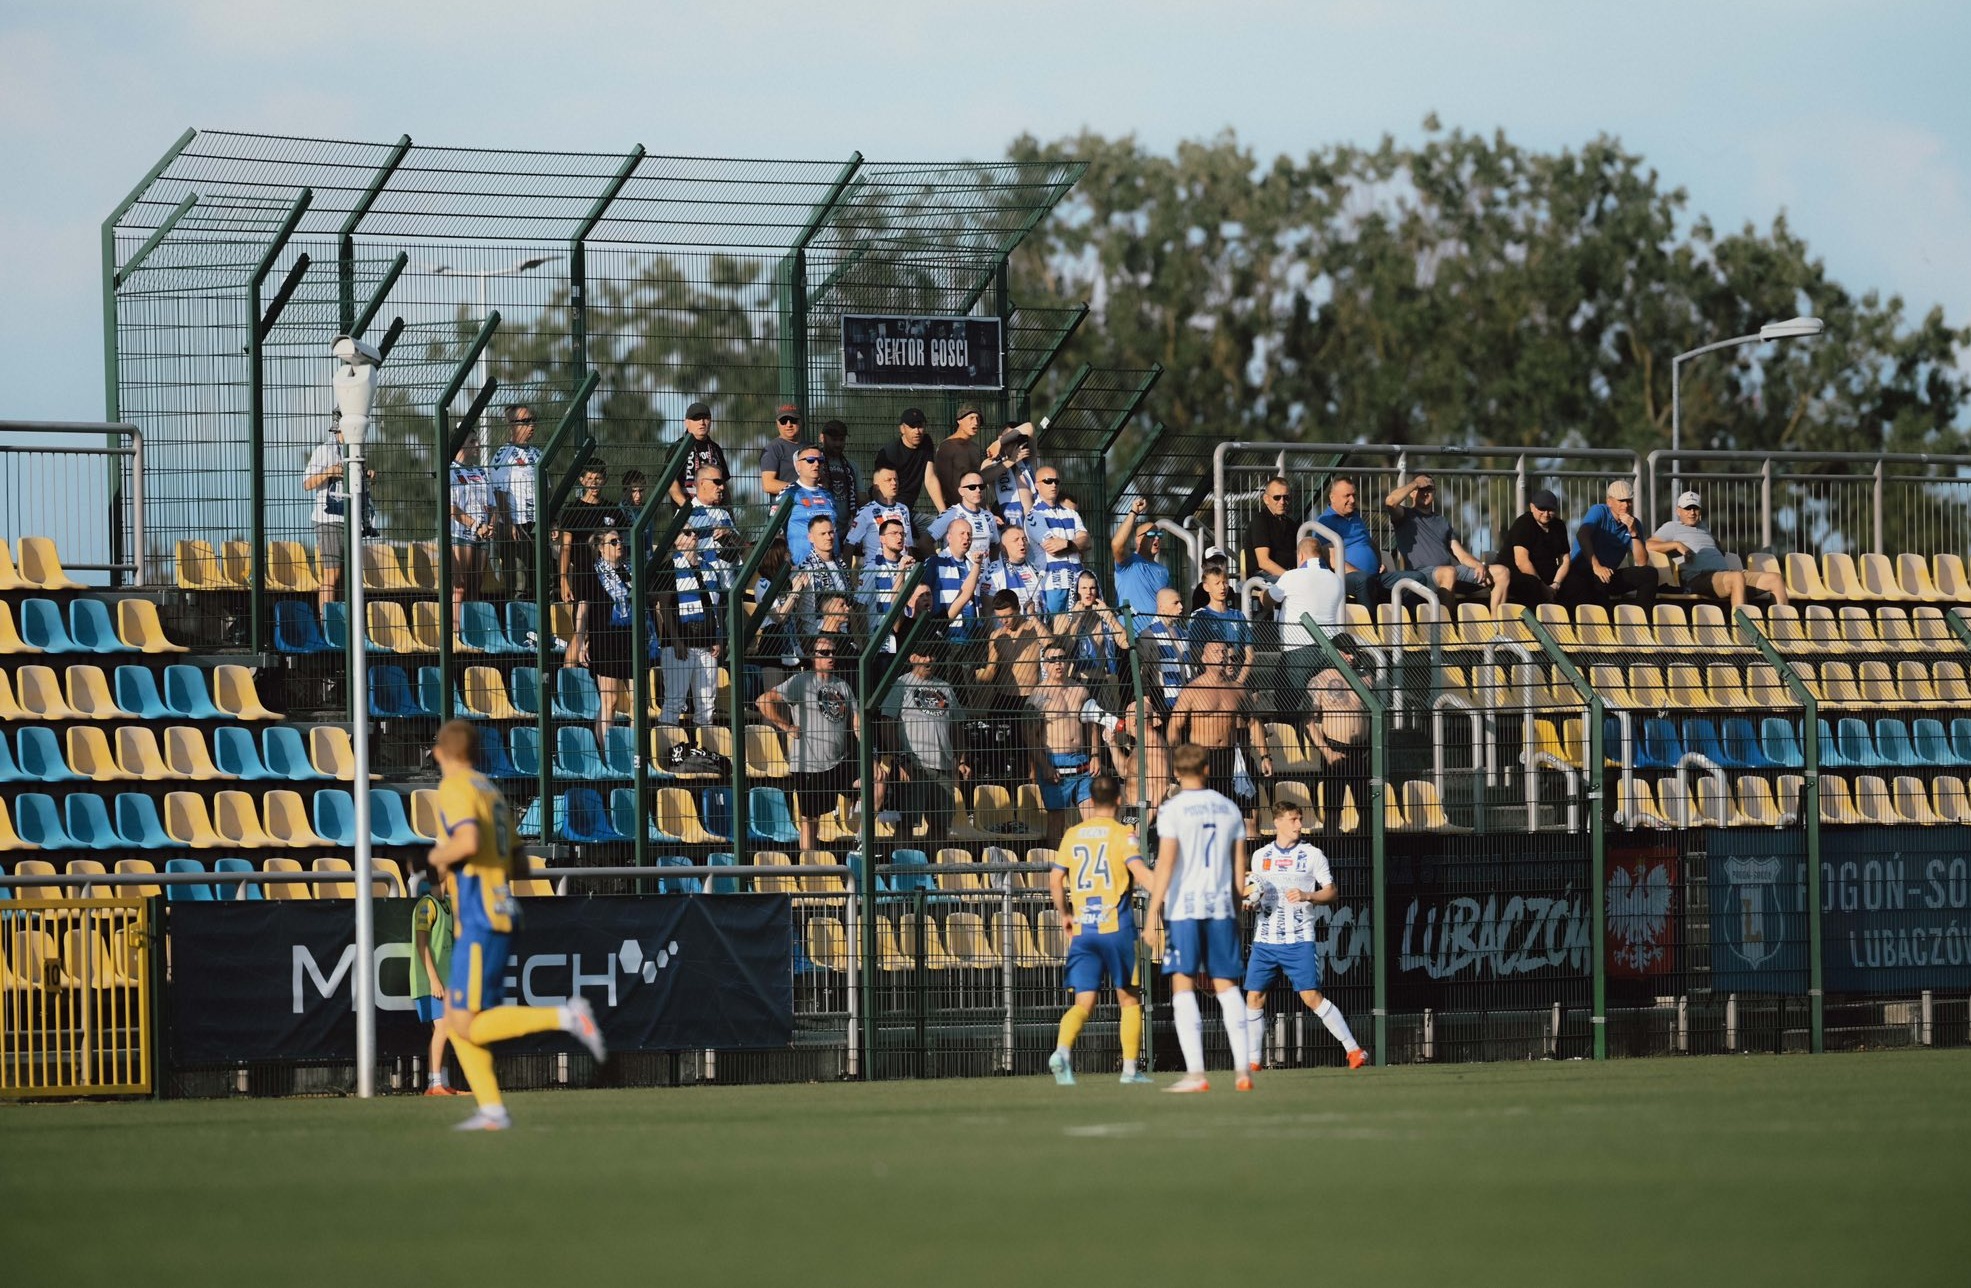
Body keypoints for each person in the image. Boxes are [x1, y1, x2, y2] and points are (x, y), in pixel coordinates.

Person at [426, 718, 605, 1131]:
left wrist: (435, 859)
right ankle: (492, 1111)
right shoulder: (492, 792)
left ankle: (565, 1017)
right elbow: (521, 860)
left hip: (478, 917)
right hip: (499, 910)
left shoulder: (455, 788)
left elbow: (467, 842)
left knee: (465, 1022)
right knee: (457, 1019)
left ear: (441, 752)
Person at [1143, 741, 1252, 1093]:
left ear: (1176, 771)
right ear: (1207, 769)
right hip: (1221, 907)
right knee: (1227, 986)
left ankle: (1196, 1074)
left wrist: (1150, 918)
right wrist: (1235, 912)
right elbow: (1240, 871)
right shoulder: (1229, 809)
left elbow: (1166, 864)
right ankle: (1242, 1071)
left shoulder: (1172, 810)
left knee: (1183, 984)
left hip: (1185, 908)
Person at [1241, 801, 1368, 1072]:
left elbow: (1331, 893)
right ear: (1277, 823)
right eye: (1293, 820)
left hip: (1298, 938)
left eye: (1300, 819)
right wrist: (1249, 903)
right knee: (1254, 997)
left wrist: (1308, 895)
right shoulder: (1260, 856)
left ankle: (1354, 1050)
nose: (1299, 825)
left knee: (1310, 996)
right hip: (1265, 939)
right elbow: (1255, 893)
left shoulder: (1313, 855)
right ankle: (1253, 1061)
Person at [1047, 774, 1155, 1086]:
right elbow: (1139, 872)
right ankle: (1130, 1070)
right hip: (1116, 929)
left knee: (1083, 1003)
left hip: (1084, 929)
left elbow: (1055, 879)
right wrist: (1162, 890)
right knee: (1129, 1000)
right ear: (1119, 800)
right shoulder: (1125, 833)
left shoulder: (1073, 834)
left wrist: (1065, 914)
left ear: (1091, 801)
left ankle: (1063, 1051)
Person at [756, 635, 860, 853]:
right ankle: (808, 866)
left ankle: (861, 837)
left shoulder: (843, 685)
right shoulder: (801, 681)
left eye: (833, 652)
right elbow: (763, 701)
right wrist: (786, 727)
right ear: (813, 657)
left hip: (839, 760)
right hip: (809, 763)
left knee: (873, 785)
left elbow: (856, 722)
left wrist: (871, 754)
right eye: (824, 653)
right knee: (810, 820)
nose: (831, 657)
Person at [1384, 473, 1510, 613]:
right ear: (1412, 493)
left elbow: (1461, 555)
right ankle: (1445, 629)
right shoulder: (1404, 515)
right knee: (1449, 572)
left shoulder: (1441, 521)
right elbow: (1390, 501)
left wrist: (1478, 565)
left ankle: (1497, 628)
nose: (1425, 493)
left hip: (1450, 573)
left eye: (1429, 489)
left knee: (1502, 572)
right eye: (1421, 489)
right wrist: (1415, 483)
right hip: (1421, 575)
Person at [1646, 490, 1790, 609]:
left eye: (1695, 508)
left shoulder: (1703, 527)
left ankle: (1783, 631)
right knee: (1736, 578)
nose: (1692, 512)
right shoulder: (1672, 527)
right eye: (1687, 508)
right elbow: (1649, 545)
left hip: (1724, 576)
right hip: (1699, 579)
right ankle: (1744, 633)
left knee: (1775, 579)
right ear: (1678, 511)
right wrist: (1676, 545)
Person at [883, 640, 966, 843]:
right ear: (912, 658)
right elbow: (886, 723)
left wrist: (961, 760)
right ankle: (903, 868)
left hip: (944, 767)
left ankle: (933, 870)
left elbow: (956, 724)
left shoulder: (945, 687)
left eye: (931, 655)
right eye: (923, 655)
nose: (929, 660)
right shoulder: (902, 684)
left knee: (941, 824)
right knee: (907, 823)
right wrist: (900, 759)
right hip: (914, 766)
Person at [1168, 639, 1269, 805]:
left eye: (1223, 652)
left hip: (1230, 756)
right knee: (1205, 812)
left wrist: (1265, 755)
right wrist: (1177, 762)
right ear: (1204, 658)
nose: (1221, 656)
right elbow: (1174, 726)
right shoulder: (1192, 690)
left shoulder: (1238, 689)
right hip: (1201, 757)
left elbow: (1254, 722)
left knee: (1241, 810)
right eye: (1216, 652)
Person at [1029, 645, 1110, 844]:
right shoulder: (1039, 694)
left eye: (1061, 658)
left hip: (1081, 760)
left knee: (1092, 817)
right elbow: (1030, 735)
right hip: (1054, 761)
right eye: (1052, 659)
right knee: (1057, 819)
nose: (1058, 663)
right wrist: (1044, 765)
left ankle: (1092, 866)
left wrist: (1095, 755)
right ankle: (1056, 869)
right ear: (1045, 665)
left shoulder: (1080, 690)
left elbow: (1091, 723)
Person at [569, 530, 637, 757]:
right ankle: (608, 754)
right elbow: (583, 611)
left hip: (630, 641)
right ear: (600, 547)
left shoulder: (629, 572)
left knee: (638, 701)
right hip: (604, 641)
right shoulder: (592, 574)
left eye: (620, 541)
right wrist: (580, 642)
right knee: (611, 701)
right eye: (613, 542)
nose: (619, 545)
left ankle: (633, 753)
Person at [652, 526, 723, 733]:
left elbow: (714, 606)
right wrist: (676, 641)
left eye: (695, 533)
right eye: (687, 532)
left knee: (707, 705)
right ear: (675, 540)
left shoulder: (708, 568)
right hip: (679, 644)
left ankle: (704, 750)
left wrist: (717, 637)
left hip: (706, 644)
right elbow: (665, 606)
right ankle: (666, 751)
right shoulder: (669, 568)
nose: (694, 536)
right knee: (675, 701)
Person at [302, 413, 368, 614]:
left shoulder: (356, 450)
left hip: (352, 519)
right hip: (329, 518)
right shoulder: (324, 450)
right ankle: (327, 623)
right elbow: (307, 484)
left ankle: (343, 625)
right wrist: (329, 471)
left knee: (347, 576)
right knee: (332, 574)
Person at [1562, 478, 1657, 610]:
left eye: (1628, 500)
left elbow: (1642, 562)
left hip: (1607, 576)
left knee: (1649, 574)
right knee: (1596, 582)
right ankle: (1606, 623)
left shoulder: (1634, 524)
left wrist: (1633, 532)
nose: (1626, 505)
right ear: (1609, 502)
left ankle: (1641, 622)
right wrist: (1597, 566)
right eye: (1621, 500)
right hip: (1582, 573)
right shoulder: (1599, 511)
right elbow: (1582, 534)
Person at [409, 869, 463, 1096]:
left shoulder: (447, 906)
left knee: (444, 1031)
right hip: (429, 982)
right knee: (444, 1028)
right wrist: (433, 980)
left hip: (445, 982)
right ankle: (434, 1083)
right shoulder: (426, 905)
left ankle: (442, 1082)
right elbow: (422, 945)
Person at [1304, 634, 1369, 823]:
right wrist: (1327, 752)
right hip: (1335, 749)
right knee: (1333, 810)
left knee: (1366, 808)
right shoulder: (1321, 680)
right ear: (1334, 653)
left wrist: (1371, 748)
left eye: (1353, 653)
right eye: (1346, 653)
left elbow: (1374, 716)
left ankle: (1366, 851)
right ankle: (1333, 850)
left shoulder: (1366, 679)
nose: (1351, 657)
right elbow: (1308, 721)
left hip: (1362, 751)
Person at [1024, 466, 1089, 615]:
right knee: (1058, 630)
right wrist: (1076, 545)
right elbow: (1054, 548)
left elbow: (1087, 542)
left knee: (1078, 630)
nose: (1053, 485)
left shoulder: (1071, 513)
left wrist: (1068, 544)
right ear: (1037, 485)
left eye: (1056, 481)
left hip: (1078, 580)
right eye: (1048, 481)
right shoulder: (1034, 515)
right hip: (1054, 583)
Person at [491, 405, 541, 598]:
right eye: (525, 421)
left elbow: (547, 489)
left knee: (541, 579)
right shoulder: (503, 455)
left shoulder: (537, 454)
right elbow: (499, 492)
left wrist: (552, 519)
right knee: (519, 583)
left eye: (532, 420)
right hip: (515, 527)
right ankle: (519, 625)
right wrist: (509, 522)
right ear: (512, 425)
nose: (532, 425)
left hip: (536, 524)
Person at [1312, 476, 1385, 605]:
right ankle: (1370, 624)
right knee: (1364, 581)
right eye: (1347, 496)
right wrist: (1361, 573)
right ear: (1332, 497)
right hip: (1348, 579)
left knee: (1415, 578)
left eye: (1354, 495)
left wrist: (1380, 564)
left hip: (1375, 575)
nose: (1352, 500)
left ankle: (1413, 624)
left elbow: (1369, 543)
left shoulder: (1356, 517)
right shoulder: (1324, 522)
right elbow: (1331, 559)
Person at [556, 459, 619, 605]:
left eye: (598, 478)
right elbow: (566, 547)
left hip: (611, 577)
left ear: (605, 480)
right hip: (583, 576)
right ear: (582, 481)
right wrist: (563, 579)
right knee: (582, 619)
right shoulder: (572, 510)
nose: (594, 483)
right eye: (590, 478)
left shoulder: (613, 509)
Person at [448, 444, 496, 632]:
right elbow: (450, 507)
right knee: (460, 588)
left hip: (482, 536)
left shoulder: (481, 472)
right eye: (472, 440)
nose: (477, 444)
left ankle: (472, 633)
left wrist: (491, 523)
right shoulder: (450, 470)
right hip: (460, 535)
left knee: (475, 588)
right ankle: (455, 633)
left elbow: (492, 504)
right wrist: (474, 525)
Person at [932, 404, 1009, 510]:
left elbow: (979, 481)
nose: (976, 423)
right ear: (959, 420)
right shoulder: (947, 447)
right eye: (971, 418)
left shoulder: (975, 448)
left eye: (978, 419)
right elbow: (945, 486)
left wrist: (985, 510)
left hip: (977, 508)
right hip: (957, 510)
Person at [789, 514, 853, 643]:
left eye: (831, 532)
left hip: (844, 637)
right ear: (811, 538)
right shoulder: (804, 569)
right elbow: (796, 613)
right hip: (816, 639)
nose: (828, 537)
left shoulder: (842, 565)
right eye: (822, 534)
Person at [873, 406, 946, 518]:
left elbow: (930, 478)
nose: (917, 431)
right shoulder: (889, 452)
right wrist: (891, 513)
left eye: (920, 426)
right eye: (912, 427)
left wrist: (943, 513)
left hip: (908, 510)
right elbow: (880, 486)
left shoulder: (926, 442)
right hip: (889, 510)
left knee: (940, 527)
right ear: (902, 429)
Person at [1503, 489, 1571, 607]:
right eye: (1542, 509)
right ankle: (1532, 623)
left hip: (1548, 578)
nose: (1546, 514)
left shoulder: (1559, 526)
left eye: (1550, 510)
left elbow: (1565, 560)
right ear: (1532, 507)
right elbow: (1521, 561)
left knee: (1576, 582)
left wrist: (1556, 584)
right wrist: (1543, 587)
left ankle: (1570, 623)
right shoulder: (1523, 524)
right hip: (1519, 575)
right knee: (1531, 585)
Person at [1109, 499, 1172, 620]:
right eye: (1150, 535)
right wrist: (1134, 512)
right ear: (1138, 540)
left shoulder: (1163, 571)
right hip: (1131, 634)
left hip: (1157, 635)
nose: (1156, 539)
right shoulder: (1128, 562)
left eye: (1158, 535)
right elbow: (1116, 545)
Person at [927, 521, 989, 642]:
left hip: (972, 640)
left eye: (969, 534)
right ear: (949, 537)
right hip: (945, 639)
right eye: (962, 533)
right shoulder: (934, 563)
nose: (967, 537)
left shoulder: (973, 566)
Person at [845, 463, 915, 563]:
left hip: (902, 571)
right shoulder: (865, 512)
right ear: (876, 486)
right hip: (877, 572)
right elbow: (849, 545)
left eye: (896, 479)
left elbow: (908, 545)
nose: (894, 483)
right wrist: (845, 577)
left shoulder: (903, 509)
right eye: (888, 480)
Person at [782, 444, 837, 565]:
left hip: (832, 566)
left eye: (820, 460)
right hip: (803, 569)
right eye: (810, 460)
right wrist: (788, 565)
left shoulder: (828, 495)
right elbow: (775, 534)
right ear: (798, 465)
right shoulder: (789, 493)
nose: (816, 464)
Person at [928, 471, 1003, 557]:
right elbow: (925, 542)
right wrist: (937, 564)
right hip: (957, 569)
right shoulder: (950, 514)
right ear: (961, 491)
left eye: (981, 487)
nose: (978, 490)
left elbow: (995, 545)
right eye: (972, 487)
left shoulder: (989, 516)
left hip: (984, 570)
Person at [668, 400, 728, 506]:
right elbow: (670, 482)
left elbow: (724, 484)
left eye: (706, 418)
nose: (702, 422)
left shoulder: (715, 449)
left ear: (711, 421)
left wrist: (729, 513)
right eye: (696, 418)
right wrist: (686, 507)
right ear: (686, 422)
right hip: (687, 514)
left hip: (715, 514)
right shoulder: (678, 447)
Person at [857, 517, 917, 622]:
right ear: (882, 539)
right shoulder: (871, 568)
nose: (899, 537)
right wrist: (864, 638)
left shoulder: (911, 566)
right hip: (879, 633)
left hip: (905, 631)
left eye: (902, 534)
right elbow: (860, 607)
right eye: (894, 533)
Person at [1186, 565, 1252, 660]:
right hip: (1210, 674)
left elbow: (1250, 656)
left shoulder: (1238, 615)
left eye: (1225, 583)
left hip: (1237, 672)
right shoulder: (1199, 616)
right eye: (1217, 583)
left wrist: (1240, 675)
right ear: (1206, 587)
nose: (1222, 587)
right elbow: (1196, 654)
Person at [1244, 477, 1300, 580]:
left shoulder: (1291, 524)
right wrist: (1291, 578)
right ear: (1266, 499)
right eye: (1277, 497)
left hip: (1286, 575)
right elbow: (1263, 562)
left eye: (1286, 497)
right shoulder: (1260, 521)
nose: (1282, 502)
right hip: (1263, 577)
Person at [985, 523, 1043, 615]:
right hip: (1006, 628)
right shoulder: (993, 572)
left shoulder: (1037, 568)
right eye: (1016, 540)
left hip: (1037, 626)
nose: (1022, 543)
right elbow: (987, 610)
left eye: (1024, 539)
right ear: (1004, 547)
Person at [991, 430, 1037, 528]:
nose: (1009, 442)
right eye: (1006, 438)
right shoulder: (991, 464)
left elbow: (1029, 428)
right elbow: (983, 478)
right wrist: (1012, 460)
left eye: (1013, 438)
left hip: (1032, 527)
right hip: (1006, 527)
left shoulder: (1028, 462)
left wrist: (1000, 441)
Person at [816, 419, 861, 519]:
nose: (838, 444)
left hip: (847, 528)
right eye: (834, 439)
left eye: (841, 440)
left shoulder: (852, 466)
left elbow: (861, 497)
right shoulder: (814, 464)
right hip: (822, 525)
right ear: (822, 438)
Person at [759, 403, 805, 498]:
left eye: (793, 420)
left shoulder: (810, 448)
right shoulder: (773, 448)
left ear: (801, 421)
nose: (789, 425)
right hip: (786, 508)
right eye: (783, 421)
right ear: (777, 424)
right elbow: (768, 485)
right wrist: (803, 490)